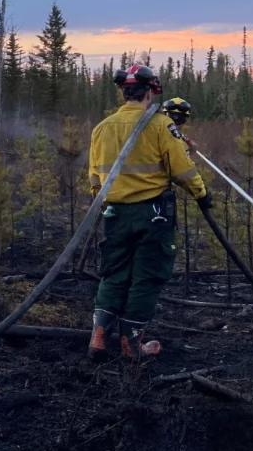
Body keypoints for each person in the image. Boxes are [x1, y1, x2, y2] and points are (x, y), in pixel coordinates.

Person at [87, 65, 210, 360]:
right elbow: (181, 169)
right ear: (151, 92)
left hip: (114, 214)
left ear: (123, 92)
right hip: (152, 215)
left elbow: (94, 178)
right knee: (147, 276)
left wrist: (108, 203)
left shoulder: (102, 128)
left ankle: (99, 337)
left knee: (114, 273)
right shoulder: (160, 125)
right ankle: (131, 344)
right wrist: (202, 194)